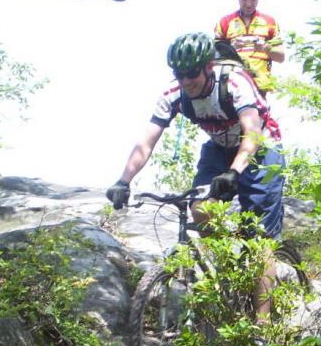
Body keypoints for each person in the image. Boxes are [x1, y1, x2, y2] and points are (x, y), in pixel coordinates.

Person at [105, 32, 286, 320]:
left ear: (208, 68)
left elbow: (252, 132)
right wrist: (123, 180)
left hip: (261, 149)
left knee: (260, 239)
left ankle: (261, 328)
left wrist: (234, 172)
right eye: (179, 74)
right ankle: (228, 270)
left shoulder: (235, 83)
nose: (186, 81)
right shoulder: (174, 95)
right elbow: (146, 142)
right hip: (219, 148)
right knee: (200, 210)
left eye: (191, 74)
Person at [215, 0, 284, 95]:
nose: (248, 4)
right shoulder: (224, 23)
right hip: (231, 86)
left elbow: (281, 57)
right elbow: (213, 59)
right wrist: (231, 48)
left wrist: (265, 48)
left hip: (260, 88)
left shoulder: (270, 22)